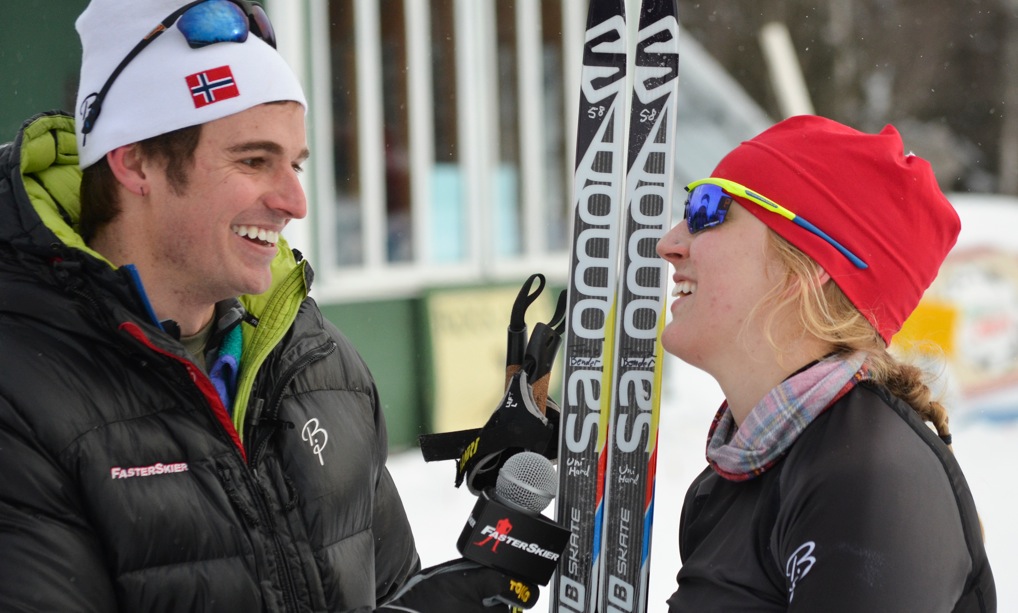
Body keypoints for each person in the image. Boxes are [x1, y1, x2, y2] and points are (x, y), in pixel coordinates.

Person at [0, 1, 534, 611]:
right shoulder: (21, 392)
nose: (294, 200)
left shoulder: (319, 367)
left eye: (296, 164)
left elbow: (387, 591)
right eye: (254, 160)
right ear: (134, 160)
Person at [656, 115, 996, 612]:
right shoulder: (730, 482)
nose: (669, 243)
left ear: (810, 267)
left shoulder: (868, 482)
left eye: (707, 208)